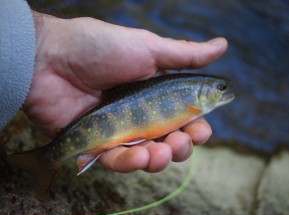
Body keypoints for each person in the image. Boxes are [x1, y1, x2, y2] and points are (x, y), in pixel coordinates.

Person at [0, 0, 227, 173]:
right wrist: (40, 44)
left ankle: (44, 160)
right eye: (221, 88)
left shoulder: (190, 98)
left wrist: (41, 43)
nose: (225, 91)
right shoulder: (191, 104)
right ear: (202, 90)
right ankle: (44, 160)